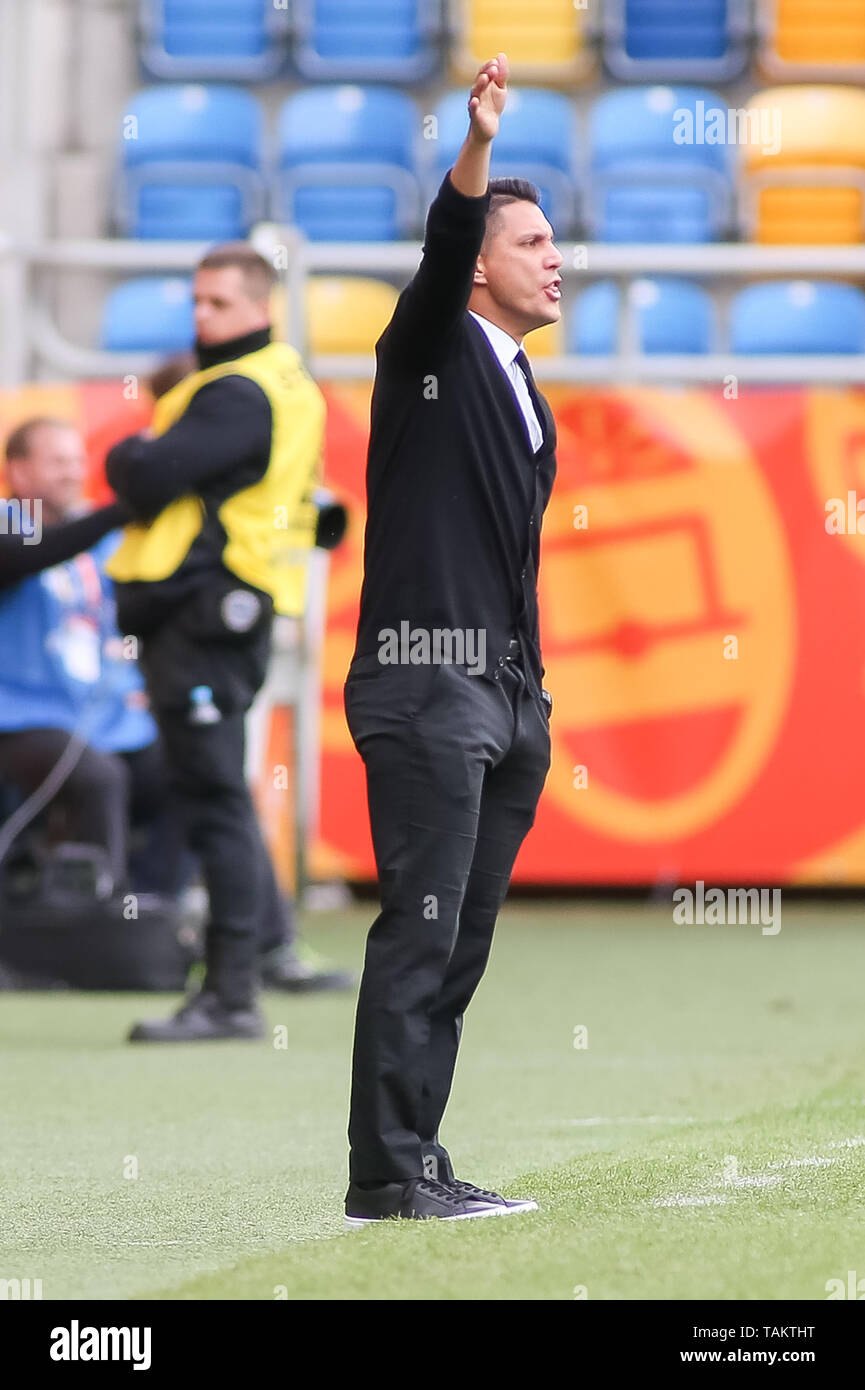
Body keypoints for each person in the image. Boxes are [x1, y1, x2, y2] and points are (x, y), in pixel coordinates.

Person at [343, 53, 562, 1226]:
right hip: (428, 683)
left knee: (456, 948)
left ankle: (416, 1158)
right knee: (421, 934)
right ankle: (384, 1172)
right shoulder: (429, 344)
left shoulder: (530, 391)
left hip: (500, 696)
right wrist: (476, 147)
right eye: (531, 244)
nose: (555, 259)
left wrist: (530, 697)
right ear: (478, 260)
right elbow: (440, 248)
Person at [105, 243, 352, 1043]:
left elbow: (144, 476)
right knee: (220, 798)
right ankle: (253, 965)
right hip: (229, 615)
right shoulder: (280, 382)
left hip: (207, 618)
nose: (201, 316)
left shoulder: (236, 390)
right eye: (197, 301)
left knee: (214, 800)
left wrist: (132, 452)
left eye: (217, 303)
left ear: (259, 306)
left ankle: (233, 993)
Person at [0, 417, 182, 900]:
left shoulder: (99, 542)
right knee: (101, 778)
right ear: (18, 472)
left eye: (78, 460)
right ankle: (102, 918)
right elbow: (26, 555)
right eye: (57, 461)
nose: (72, 471)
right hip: (21, 716)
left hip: (104, 715)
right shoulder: (8, 521)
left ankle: (153, 908)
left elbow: (144, 605)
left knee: (192, 768)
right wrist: (120, 511)